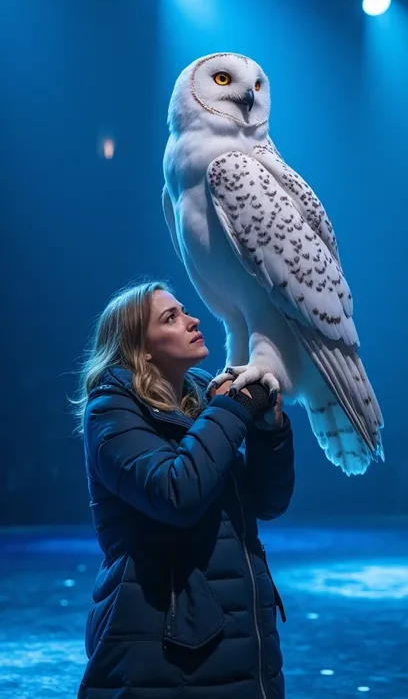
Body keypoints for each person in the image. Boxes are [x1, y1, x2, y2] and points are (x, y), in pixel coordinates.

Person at [73, 279, 295, 699]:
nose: (192, 319)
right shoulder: (111, 411)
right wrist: (234, 409)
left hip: (240, 635)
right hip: (166, 644)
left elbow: (268, 503)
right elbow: (177, 493)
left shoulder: (200, 409)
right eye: (170, 318)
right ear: (140, 349)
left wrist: (270, 432)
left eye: (184, 310)